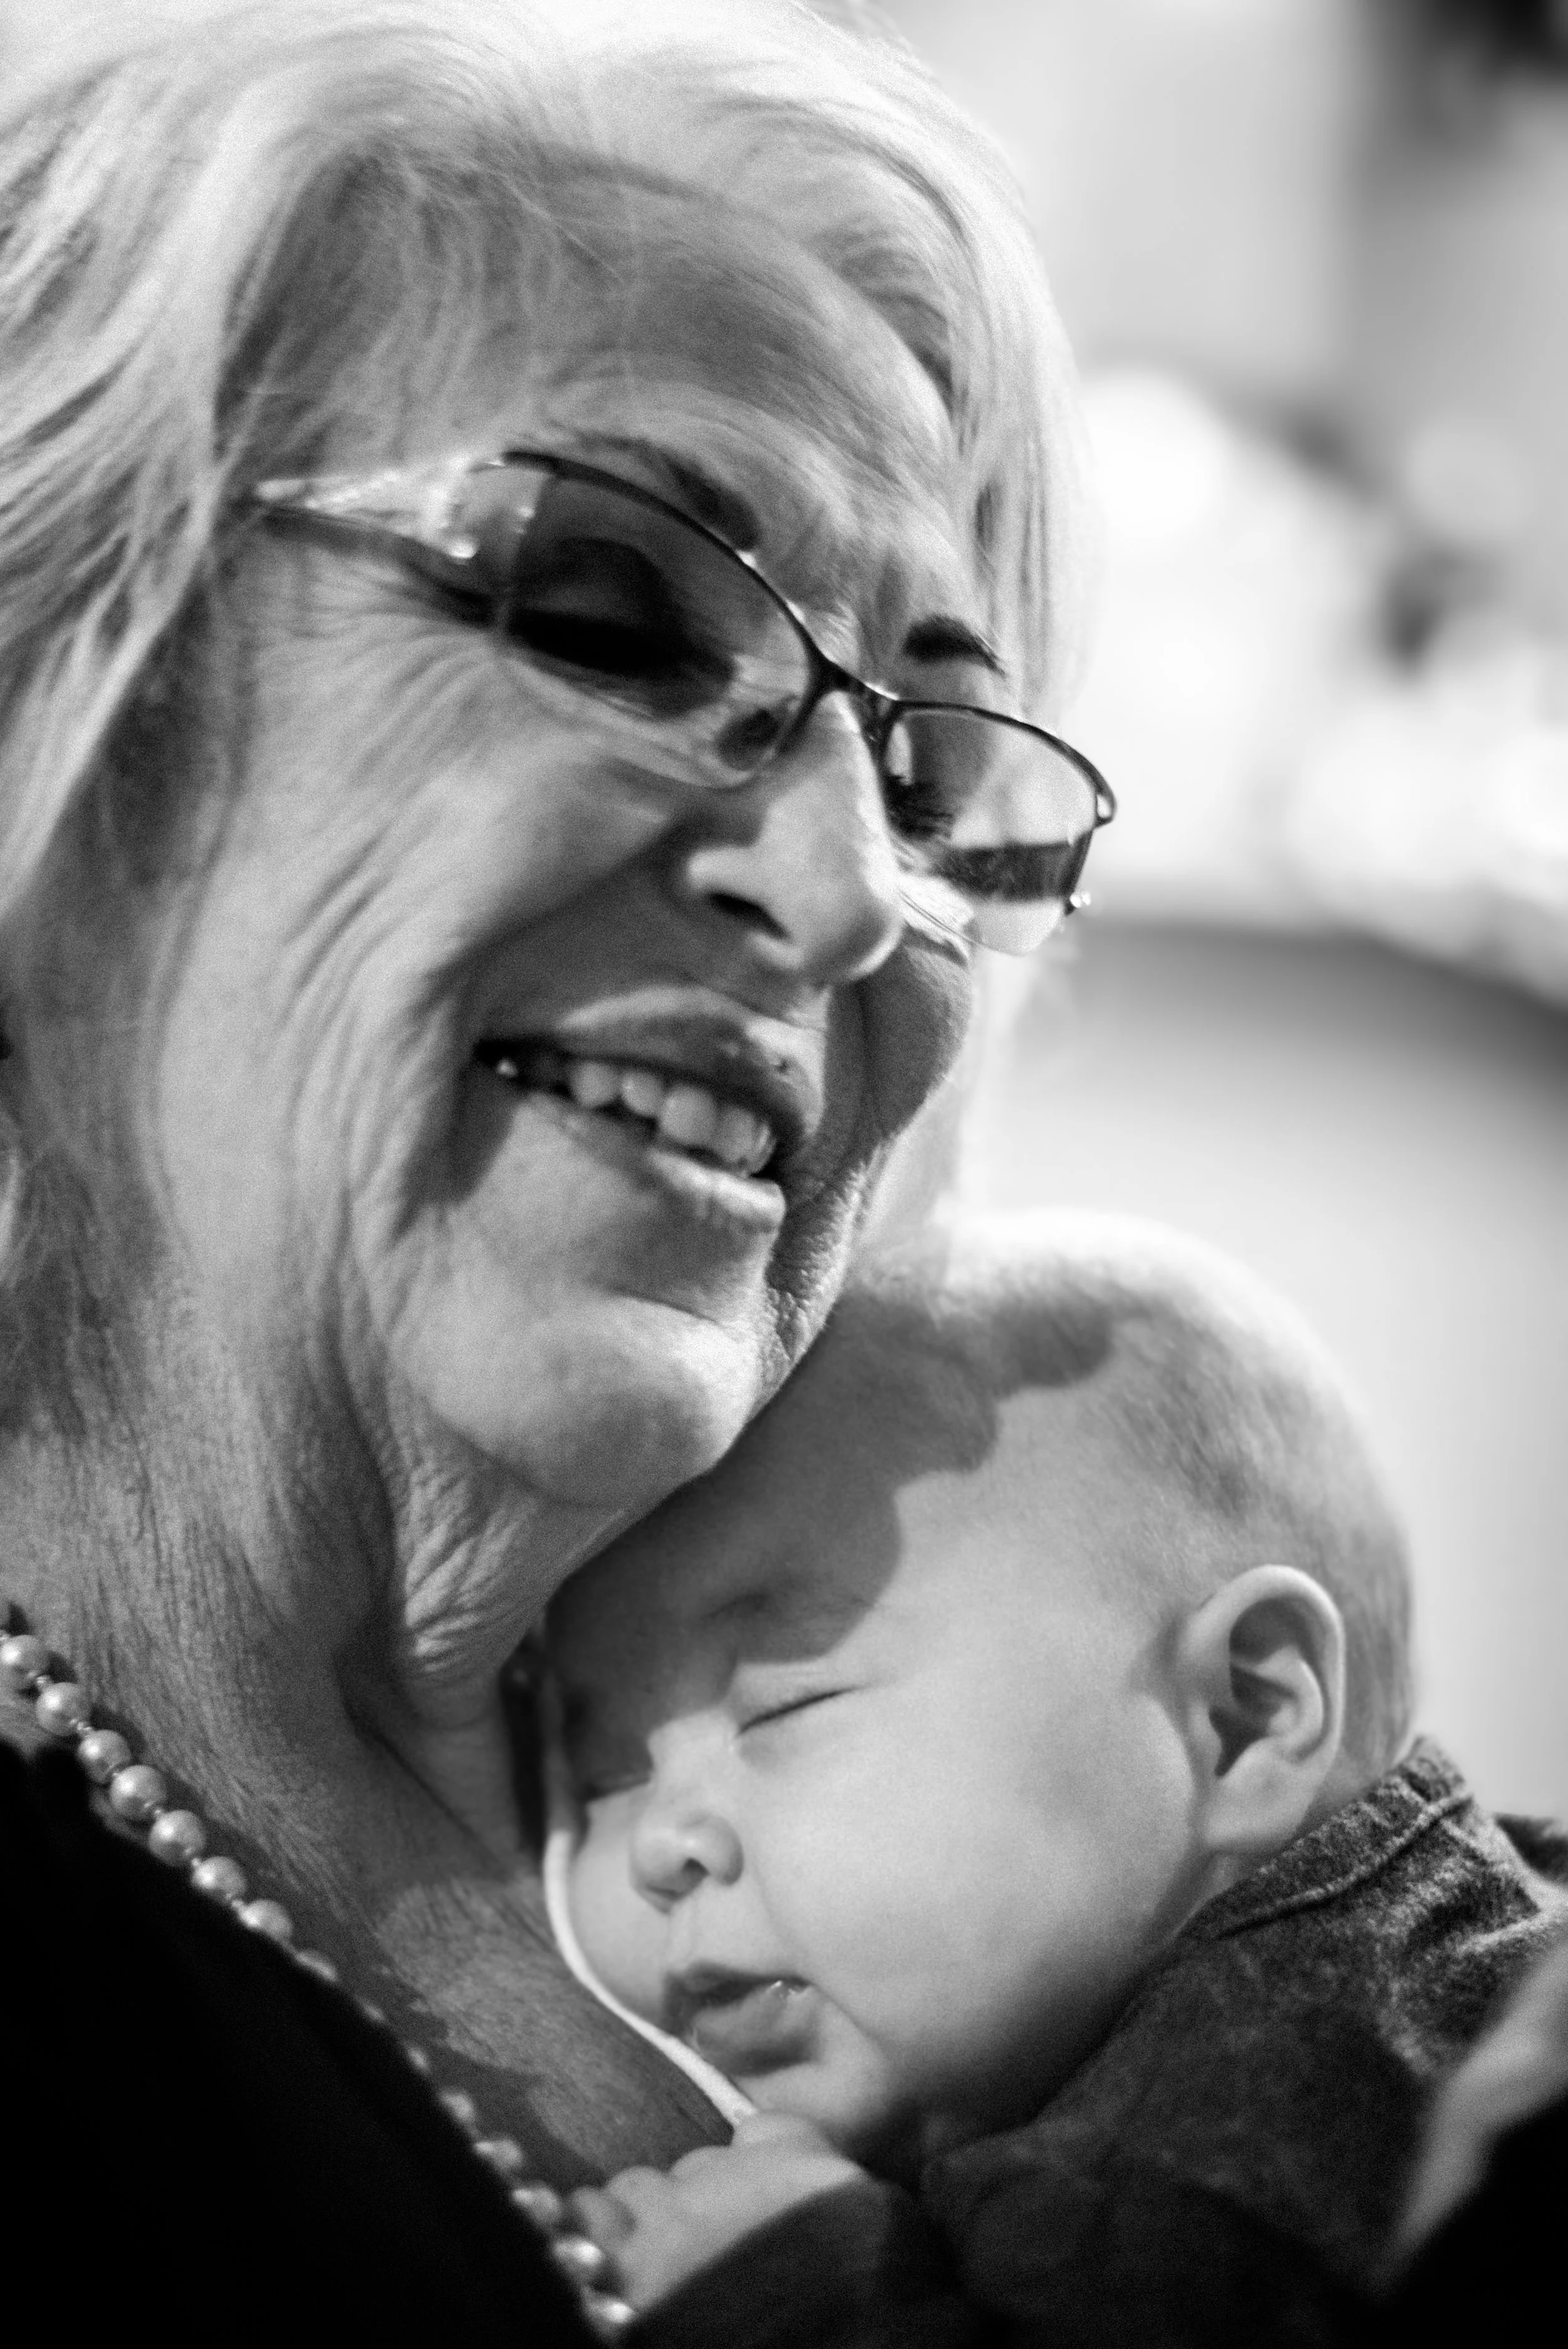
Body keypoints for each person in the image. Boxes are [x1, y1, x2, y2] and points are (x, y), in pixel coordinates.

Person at [0, 3, 1106, 2337]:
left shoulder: (988, 1764)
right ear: (60, 684)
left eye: (927, 779)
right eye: (610, 614)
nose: (846, 894)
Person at [545, 1213, 1568, 2342]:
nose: (659, 1844)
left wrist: (796, 2296)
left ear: (1242, 1720)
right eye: (602, 1773)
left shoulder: (1186, 2176)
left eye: (788, 1703)